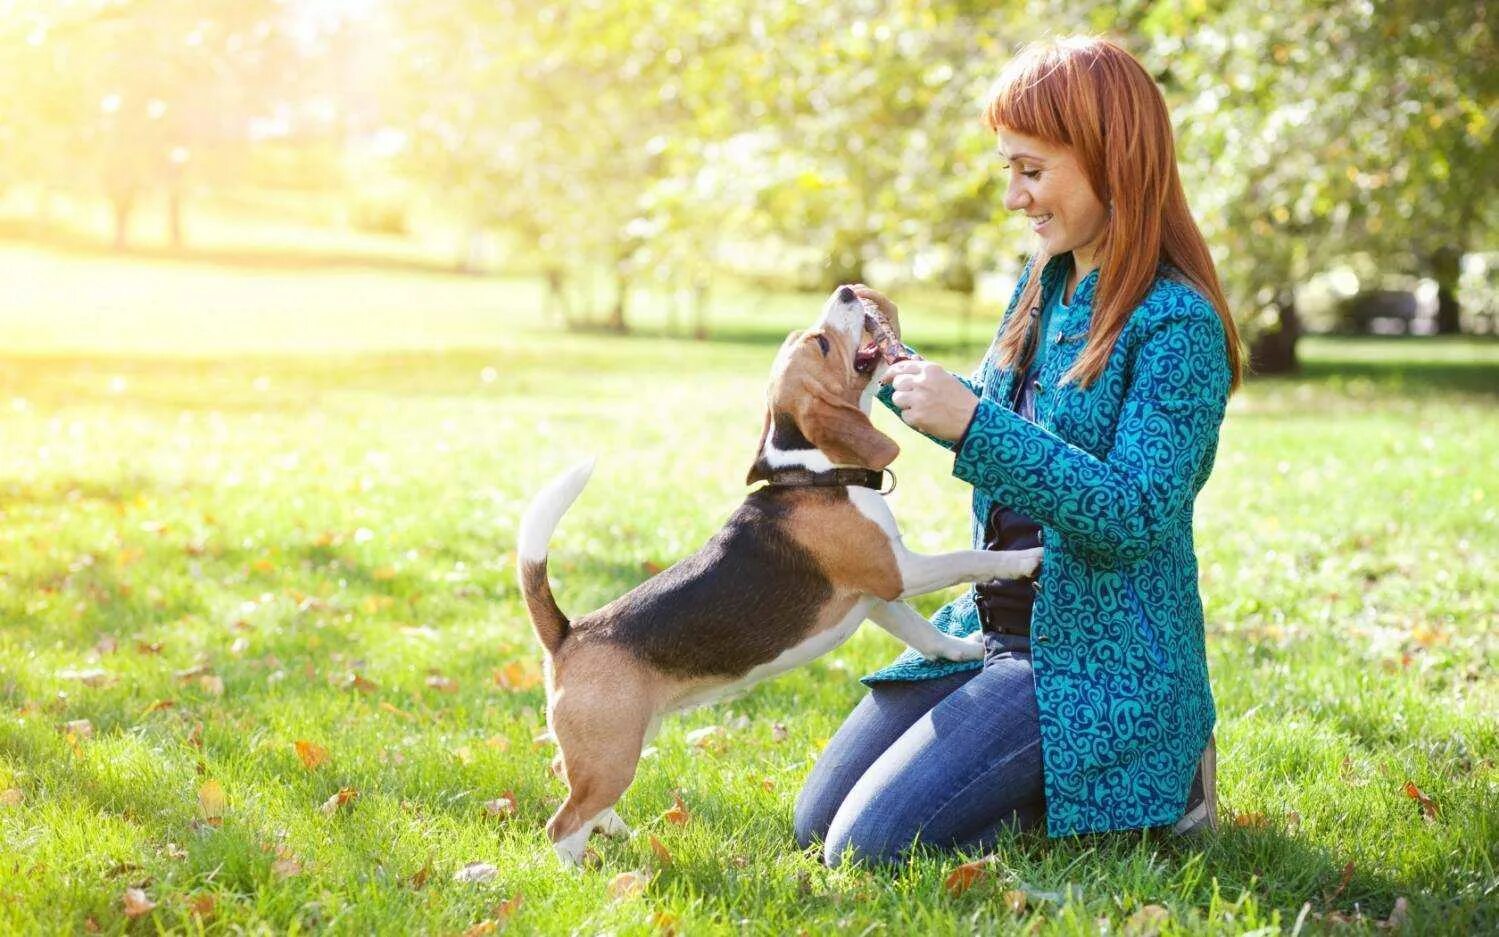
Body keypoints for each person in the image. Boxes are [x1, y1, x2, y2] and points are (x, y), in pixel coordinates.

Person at [793, 36, 1245, 866]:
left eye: (1030, 171)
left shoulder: (1178, 326)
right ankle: (1054, 787)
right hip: (987, 627)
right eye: (1008, 169)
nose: (1013, 197)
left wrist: (973, 425)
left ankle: (1150, 777)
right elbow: (1005, 418)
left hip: (1090, 661)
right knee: (813, 823)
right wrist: (900, 372)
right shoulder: (1046, 280)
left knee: (868, 848)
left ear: (1112, 159)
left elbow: (1134, 516)